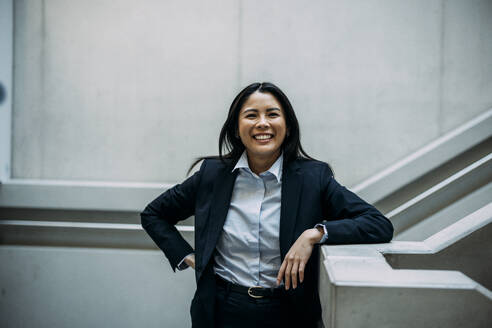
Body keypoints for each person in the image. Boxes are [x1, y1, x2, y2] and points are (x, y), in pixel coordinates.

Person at [141, 82, 394, 328]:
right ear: (236, 128)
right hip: (221, 310)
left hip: (289, 312)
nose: (262, 123)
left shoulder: (313, 178)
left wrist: (314, 234)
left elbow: (378, 224)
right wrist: (190, 258)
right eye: (251, 115)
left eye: (272, 114)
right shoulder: (212, 175)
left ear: (287, 126)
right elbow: (154, 214)